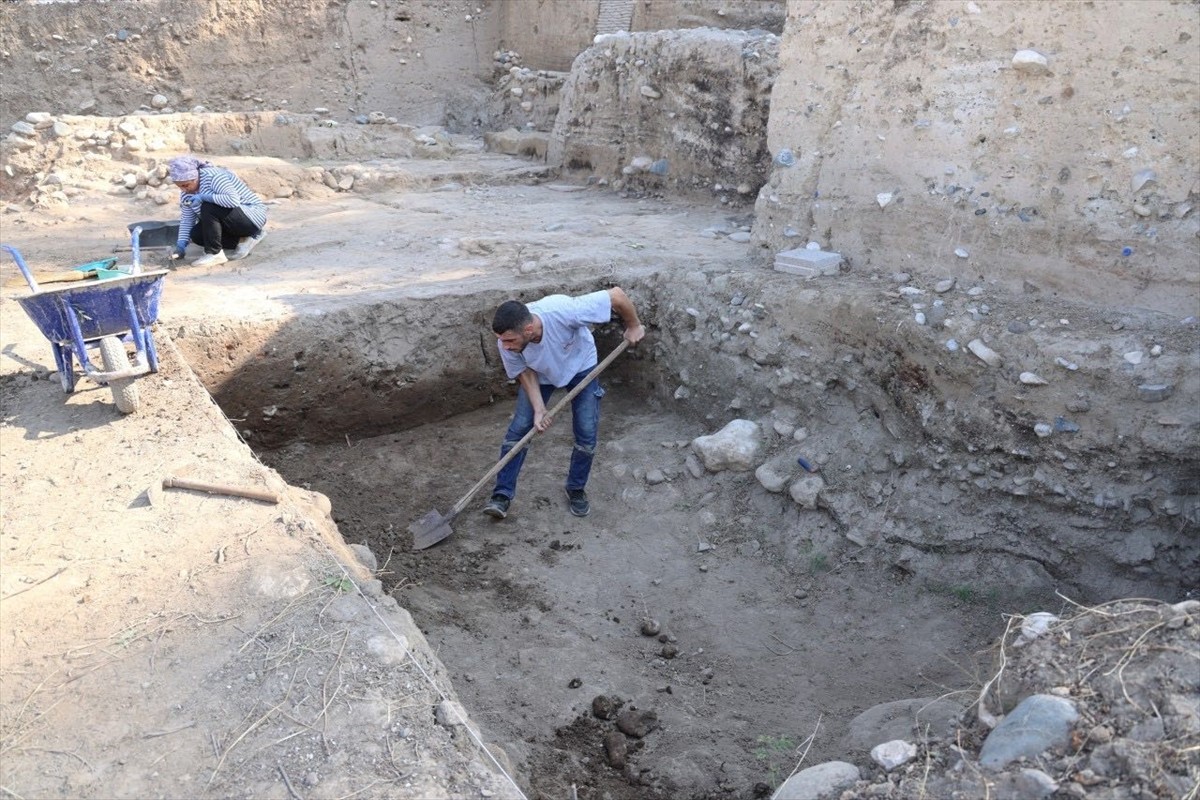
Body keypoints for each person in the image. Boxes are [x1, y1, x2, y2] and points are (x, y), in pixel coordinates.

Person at [483, 287, 645, 520]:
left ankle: (576, 489)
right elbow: (524, 372)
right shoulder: (506, 342)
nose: (504, 346)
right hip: (540, 373)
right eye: (502, 341)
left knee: (586, 431)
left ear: (528, 329)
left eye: (509, 340)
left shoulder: (564, 310)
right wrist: (539, 409)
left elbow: (616, 295)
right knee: (519, 429)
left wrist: (633, 325)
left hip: (581, 366)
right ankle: (502, 495)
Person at [168, 155, 267, 268]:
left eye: (186, 185)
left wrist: (203, 197)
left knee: (208, 206)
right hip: (230, 222)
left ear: (195, 177)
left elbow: (233, 200)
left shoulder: (213, 176)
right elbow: (187, 219)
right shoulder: (186, 193)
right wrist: (181, 244)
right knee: (196, 235)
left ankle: (215, 253)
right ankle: (246, 239)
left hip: (250, 216)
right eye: (180, 187)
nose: (184, 190)